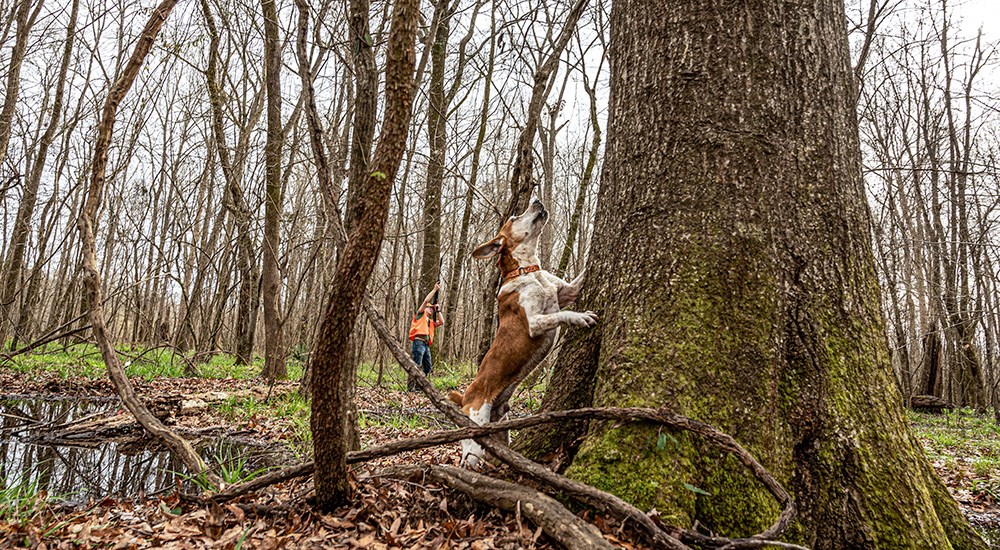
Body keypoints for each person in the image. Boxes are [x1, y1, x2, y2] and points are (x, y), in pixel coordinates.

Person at [407, 282, 445, 392]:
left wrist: (438, 310)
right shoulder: (420, 315)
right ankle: (411, 387)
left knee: (428, 367)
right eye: (430, 308)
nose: (431, 309)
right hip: (418, 342)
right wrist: (434, 290)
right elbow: (426, 301)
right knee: (416, 365)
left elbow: (442, 322)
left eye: (432, 309)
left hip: (426, 345)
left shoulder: (431, 322)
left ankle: (419, 386)